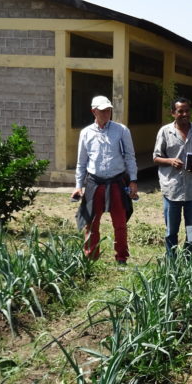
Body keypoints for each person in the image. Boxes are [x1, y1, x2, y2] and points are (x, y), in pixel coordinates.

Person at [72, 95, 138, 265]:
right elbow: (81, 162)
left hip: (117, 181)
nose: (106, 113)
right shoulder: (86, 133)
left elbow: (130, 157)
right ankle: (91, 257)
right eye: (102, 111)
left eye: (108, 110)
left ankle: (121, 258)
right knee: (91, 223)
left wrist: (133, 180)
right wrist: (78, 186)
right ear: (94, 111)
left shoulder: (121, 130)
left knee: (120, 222)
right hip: (94, 182)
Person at [153, 97, 192, 257]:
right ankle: (171, 263)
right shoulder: (165, 131)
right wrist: (170, 161)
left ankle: (189, 263)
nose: (185, 114)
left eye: (187, 110)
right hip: (172, 189)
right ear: (173, 113)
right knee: (171, 231)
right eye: (180, 111)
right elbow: (156, 157)